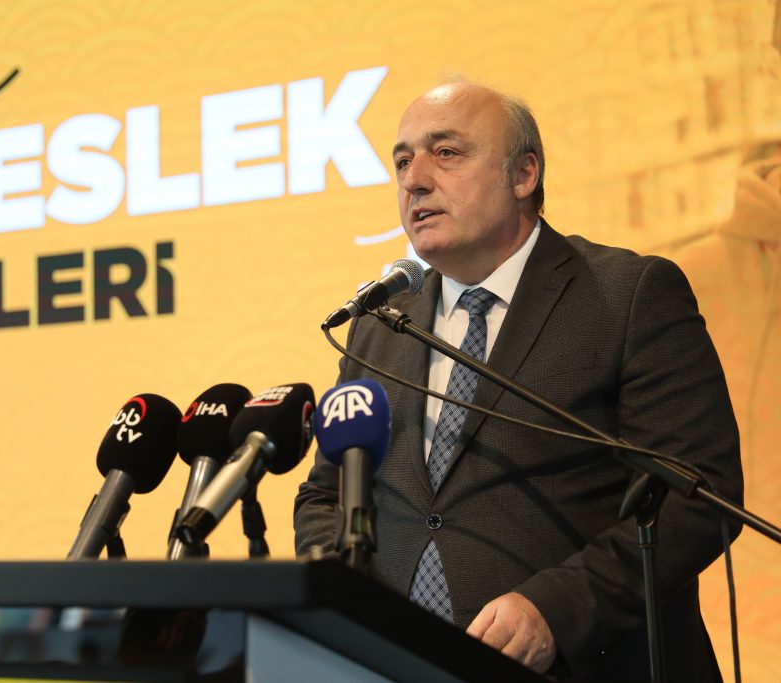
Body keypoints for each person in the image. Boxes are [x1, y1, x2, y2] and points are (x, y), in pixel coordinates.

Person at [294, 80, 744, 682]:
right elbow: (326, 497)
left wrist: (557, 610)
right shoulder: (379, 326)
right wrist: (346, 602)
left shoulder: (628, 295)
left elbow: (698, 498)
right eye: (402, 161)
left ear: (524, 173)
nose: (414, 180)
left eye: (445, 153)